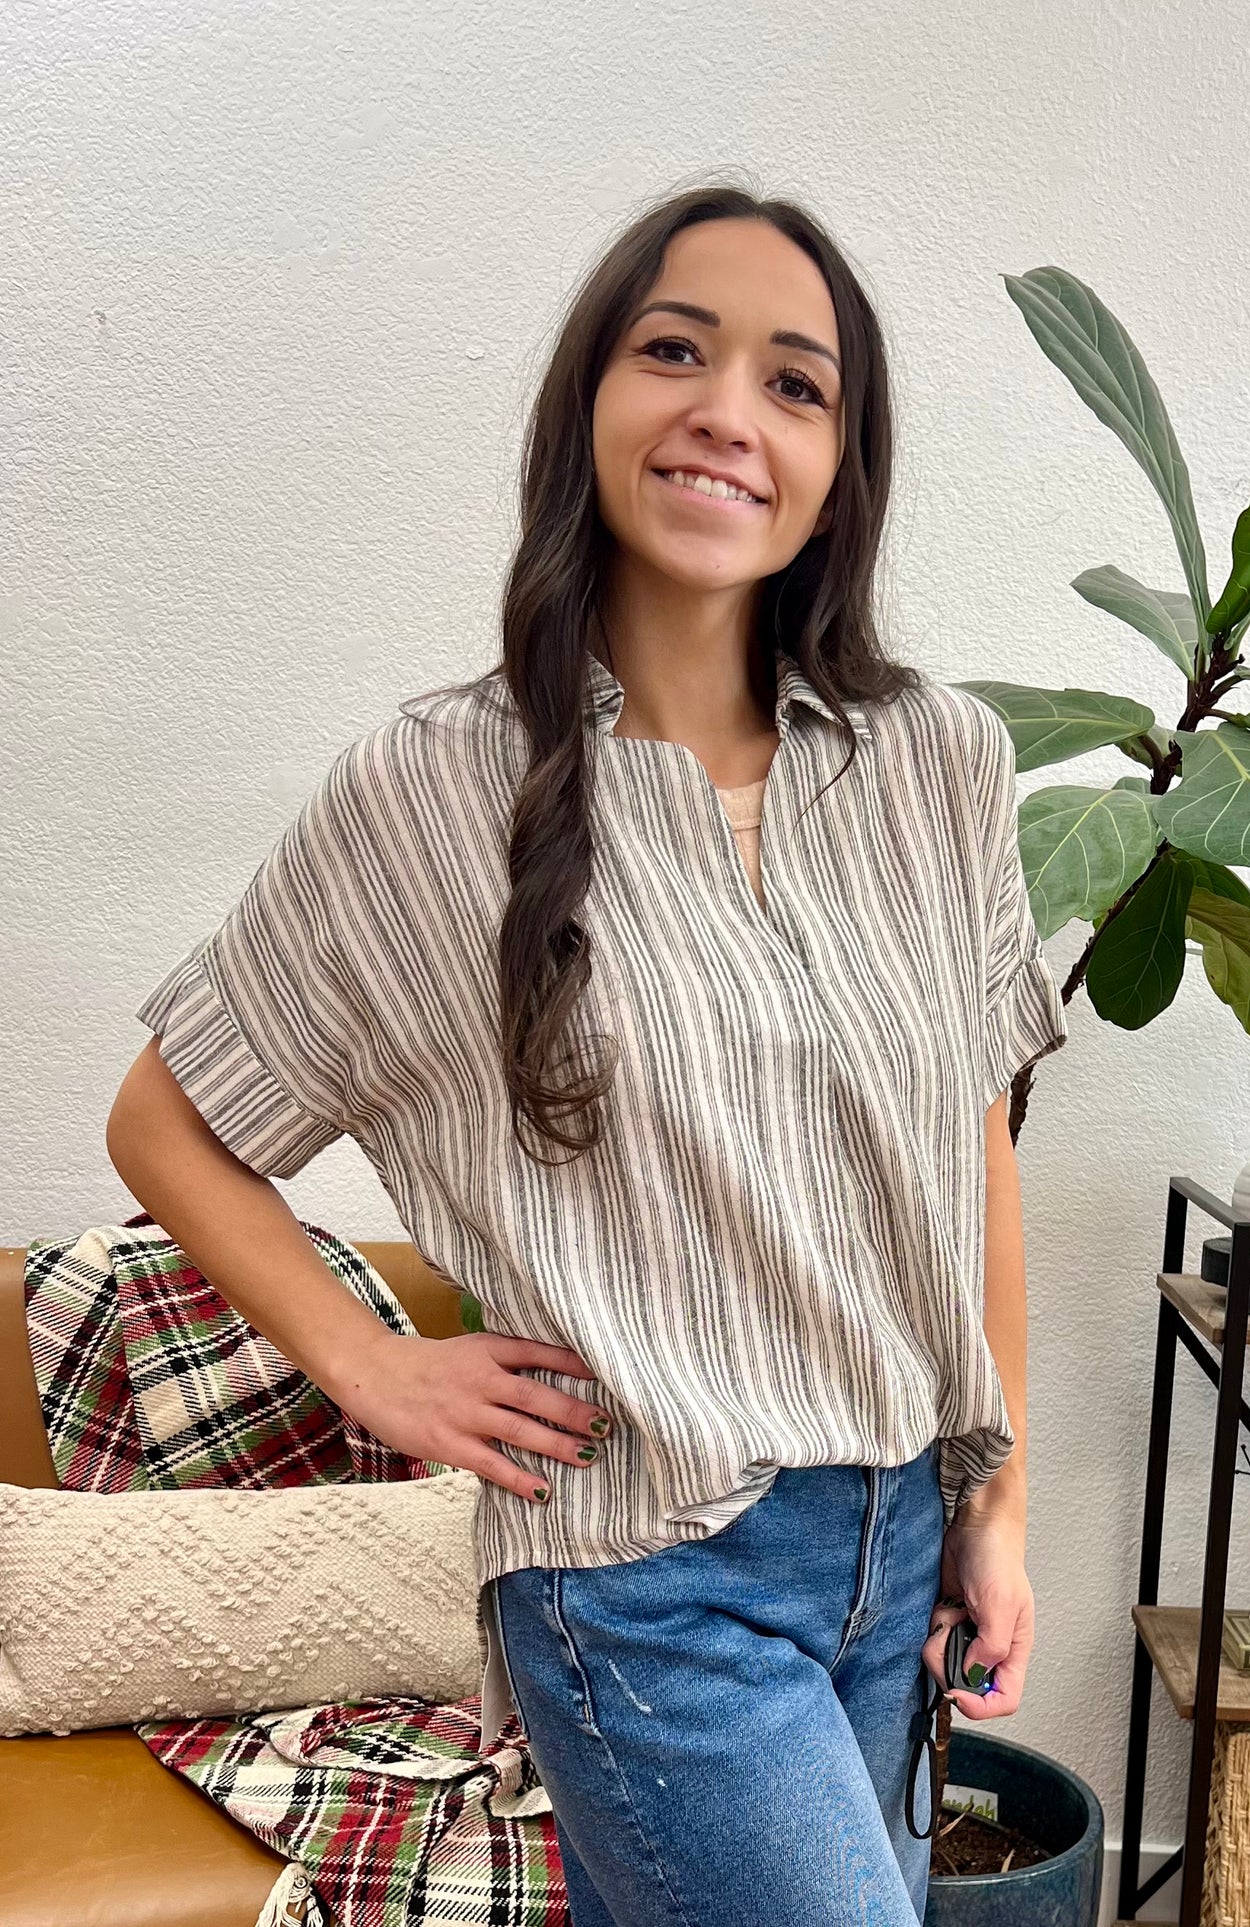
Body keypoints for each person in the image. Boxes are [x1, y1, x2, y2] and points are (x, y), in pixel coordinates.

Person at [108, 181, 1068, 1926]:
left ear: (842, 466)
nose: (727, 411)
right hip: (650, 1567)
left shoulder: (936, 763)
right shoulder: (438, 786)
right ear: (590, 405)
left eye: (798, 383)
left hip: (896, 1553)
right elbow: (168, 1121)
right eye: (674, 350)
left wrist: (993, 1506)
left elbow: (970, 1150)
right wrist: (374, 1369)